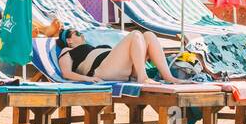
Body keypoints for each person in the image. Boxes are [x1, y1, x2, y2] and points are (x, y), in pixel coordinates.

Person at [56, 28, 188, 85]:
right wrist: (88, 79)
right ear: (69, 40)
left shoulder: (92, 46)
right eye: (77, 33)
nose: (81, 34)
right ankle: (143, 78)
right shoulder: (67, 50)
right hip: (102, 71)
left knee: (149, 35)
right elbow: (66, 73)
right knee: (135, 34)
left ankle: (169, 77)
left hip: (121, 68)